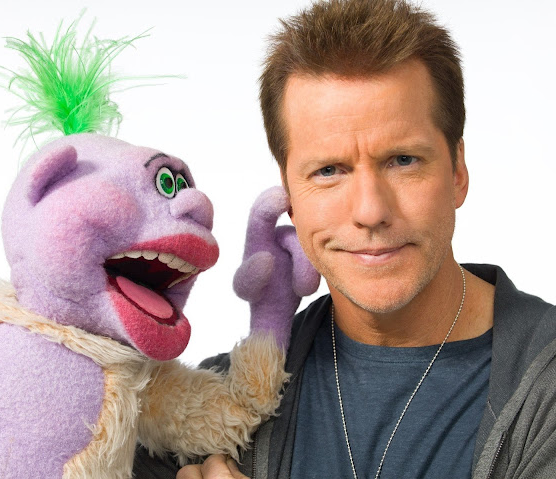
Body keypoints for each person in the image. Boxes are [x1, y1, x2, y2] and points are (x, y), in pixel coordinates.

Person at [133, 0, 556, 477]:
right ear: (289, 193)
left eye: (403, 161)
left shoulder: (544, 387)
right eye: (329, 170)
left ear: (458, 170)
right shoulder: (211, 412)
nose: (370, 211)